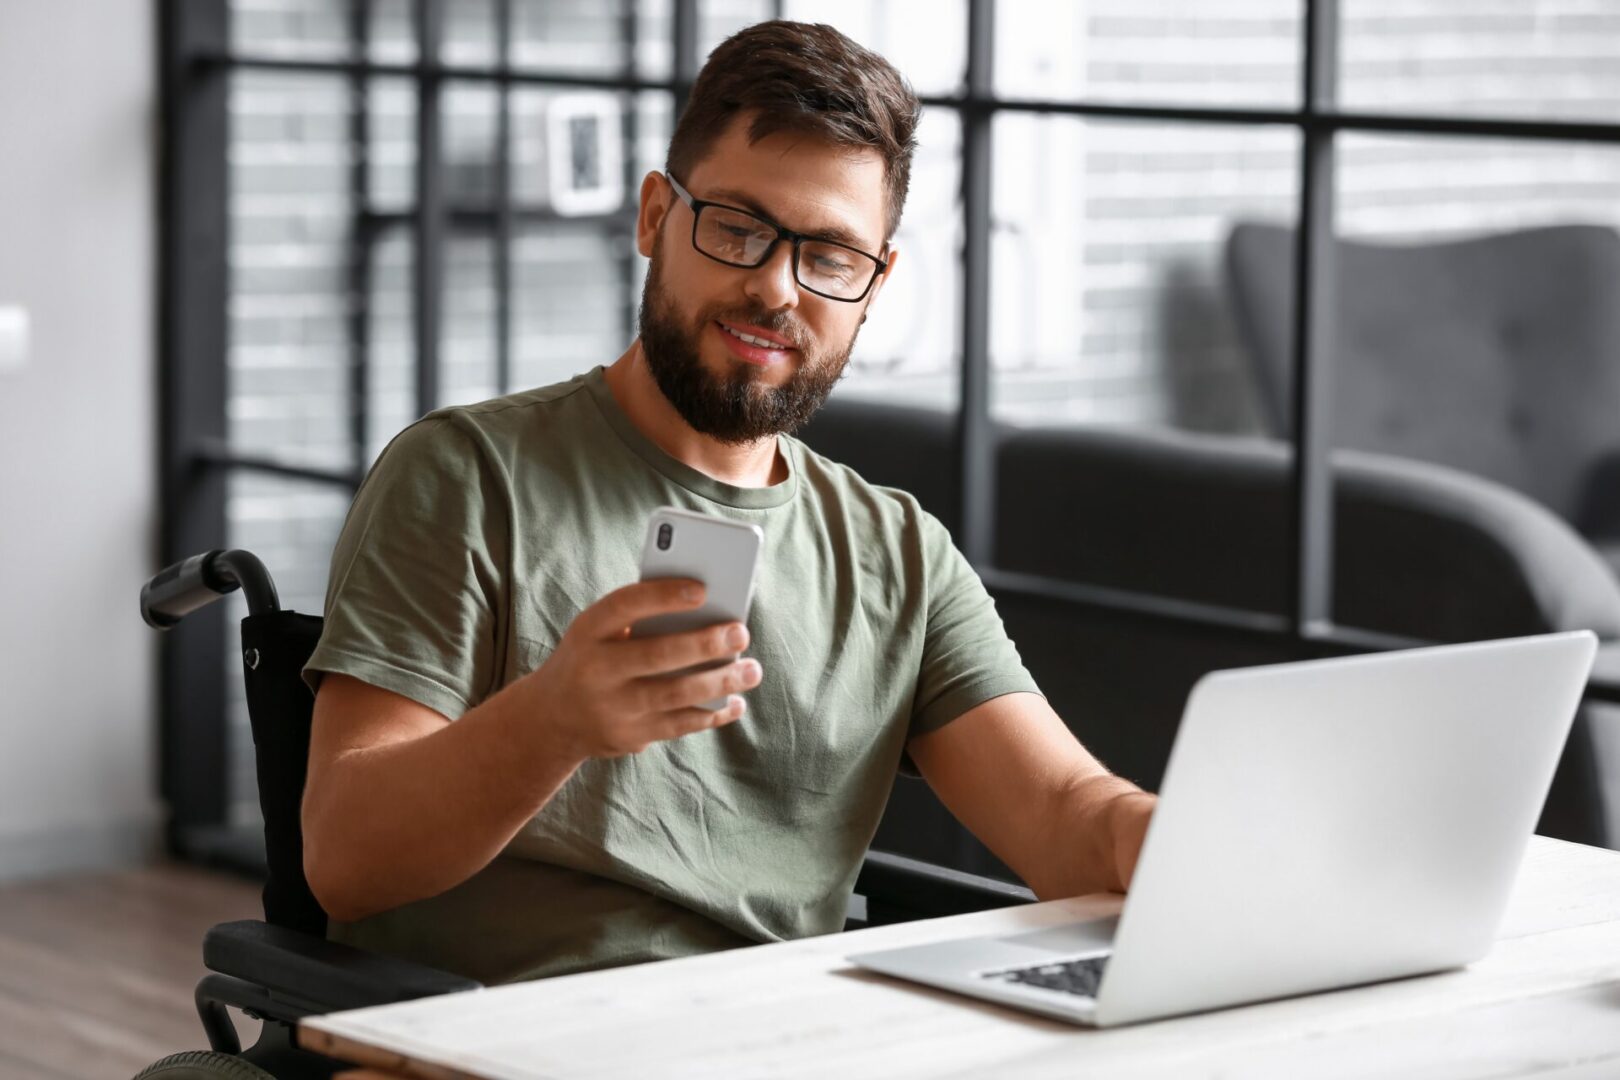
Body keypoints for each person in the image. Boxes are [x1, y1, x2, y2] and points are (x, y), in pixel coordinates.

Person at [300, 19, 1156, 986]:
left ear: (874, 287)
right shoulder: (463, 478)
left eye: (830, 256)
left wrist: (1175, 838)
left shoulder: (899, 555)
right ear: (656, 218)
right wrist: (550, 722)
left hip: (778, 1045)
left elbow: (1064, 816)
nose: (775, 289)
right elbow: (345, 859)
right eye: (740, 229)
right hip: (500, 1039)